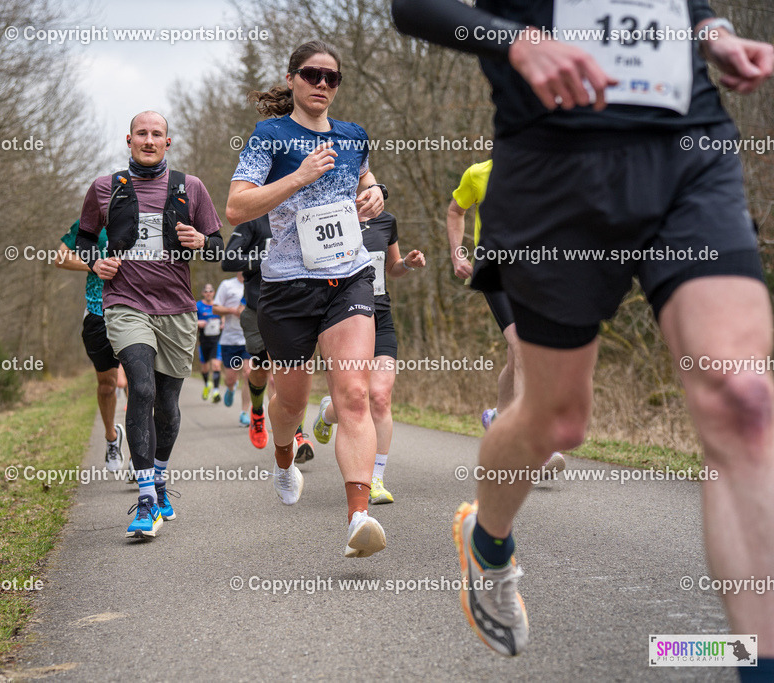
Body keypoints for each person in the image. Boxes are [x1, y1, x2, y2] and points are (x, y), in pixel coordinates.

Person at [392, 0, 774, 670]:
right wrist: (513, 42)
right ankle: (488, 539)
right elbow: (410, 6)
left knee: (743, 400)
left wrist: (712, 33)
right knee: (557, 419)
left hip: (686, 144)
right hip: (552, 162)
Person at [227, 40, 389, 558]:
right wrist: (298, 176)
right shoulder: (270, 136)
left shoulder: (353, 136)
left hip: (348, 276)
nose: (322, 84)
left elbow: (364, 178)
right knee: (292, 401)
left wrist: (374, 190)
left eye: (331, 78)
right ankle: (282, 458)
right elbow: (235, 206)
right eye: (312, 75)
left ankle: (358, 519)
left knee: (355, 395)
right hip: (288, 286)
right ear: (293, 79)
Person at [76, 110, 224, 539]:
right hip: (125, 303)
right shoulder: (104, 188)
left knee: (168, 405)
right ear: (129, 140)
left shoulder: (190, 187)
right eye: (141, 133)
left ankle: (159, 479)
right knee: (141, 388)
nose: (148, 139)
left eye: (156, 134)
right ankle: (144, 499)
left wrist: (203, 242)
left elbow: (218, 246)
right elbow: (84, 240)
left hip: (176, 308)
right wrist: (95, 260)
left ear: (167, 142)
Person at [447, 161, 565, 474]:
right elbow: (455, 211)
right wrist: (457, 253)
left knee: (517, 359)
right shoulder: (477, 173)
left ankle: (498, 419)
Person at [312, 209, 426, 504]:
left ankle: (376, 478)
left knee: (379, 396)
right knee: (354, 398)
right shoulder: (330, 214)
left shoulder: (387, 220)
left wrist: (407, 264)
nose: (370, 192)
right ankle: (327, 413)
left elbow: (393, 268)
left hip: (381, 317)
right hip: (345, 319)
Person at [54, 220, 127, 472]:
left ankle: (142, 452)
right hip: (97, 312)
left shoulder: (142, 217)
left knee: (138, 382)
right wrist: (95, 265)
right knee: (107, 386)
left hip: (135, 311)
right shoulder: (88, 226)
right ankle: (111, 438)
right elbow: (60, 259)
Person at [222, 217, 274, 448]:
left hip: (295, 307)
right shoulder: (254, 221)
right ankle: (256, 411)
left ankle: (298, 434)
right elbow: (228, 260)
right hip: (257, 309)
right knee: (262, 371)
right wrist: (264, 260)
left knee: (288, 371)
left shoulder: (300, 211)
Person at [214, 272, 252, 425]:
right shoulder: (227, 285)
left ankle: (244, 412)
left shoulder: (255, 284)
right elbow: (215, 309)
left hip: (248, 338)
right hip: (229, 339)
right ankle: (230, 388)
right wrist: (233, 311)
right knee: (230, 378)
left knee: (248, 373)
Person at [196, 284, 223, 402]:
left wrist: (222, 323)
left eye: (210, 291)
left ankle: (216, 392)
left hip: (216, 340)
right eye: (206, 291)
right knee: (205, 368)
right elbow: (191, 321)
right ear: (203, 293)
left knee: (216, 365)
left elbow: (224, 317)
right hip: (203, 340)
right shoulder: (198, 305)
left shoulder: (217, 305)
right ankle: (207, 385)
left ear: (214, 292)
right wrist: (198, 322)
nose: (208, 293)